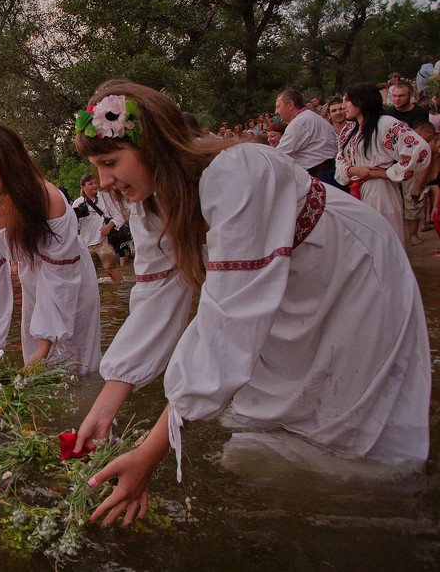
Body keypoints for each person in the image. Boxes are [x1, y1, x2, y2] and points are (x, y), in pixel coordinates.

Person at [69, 80, 429, 525]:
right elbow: (156, 297)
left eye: (109, 163)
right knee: (276, 403)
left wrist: (149, 452)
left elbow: (226, 318)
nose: (103, 181)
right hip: (283, 285)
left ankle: (385, 505)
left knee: (350, 410)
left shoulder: (237, 171)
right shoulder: (150, 204)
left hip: (347, 271)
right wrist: (104, 409)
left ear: (156, 145)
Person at [0, 122, 101, 372]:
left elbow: (59, 277)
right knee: (34, 362)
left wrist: (44, 348)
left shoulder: (48, 200)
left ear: (13, 164)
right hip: (32, 279)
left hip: (70, 275)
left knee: (73, 359)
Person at [335, 83, 432, 245]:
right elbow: (340, 158)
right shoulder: (351, 130)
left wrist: (387, 173)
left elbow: (420, 150)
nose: (343, 106)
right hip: (359, 189)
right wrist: (353, 169)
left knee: (382, 239)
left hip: (380, 191)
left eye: (348, 101)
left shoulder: (385, 124)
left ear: (363, 101)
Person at [274, 88, 340, 188]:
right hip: (329, 173)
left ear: (290, 104)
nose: (276, 112)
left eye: (278, 107)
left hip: (321, 178)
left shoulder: (300, 122)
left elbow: (279, 155)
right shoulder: (312, 117)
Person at [72, 173, 124, 282]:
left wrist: (110, 225)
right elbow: (74, 227)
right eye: (90, 184)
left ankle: (121, 289)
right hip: (87, 243)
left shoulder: (105, 198)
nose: (94, 185)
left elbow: (119, 216)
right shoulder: (78, 203)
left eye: (95, 183)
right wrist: (76, 217)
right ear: (83, 187)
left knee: (110, 269)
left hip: (104, 241)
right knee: (90, 275)